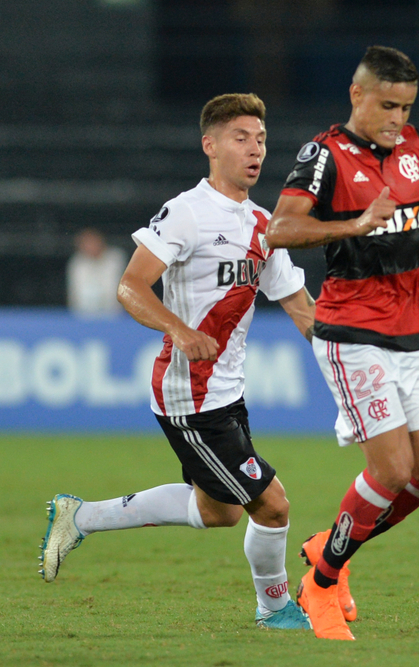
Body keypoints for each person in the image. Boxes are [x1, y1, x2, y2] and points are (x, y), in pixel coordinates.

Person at [39, 93, 317, 629]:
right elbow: (130, 285)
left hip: (228, 391)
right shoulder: (187, 213)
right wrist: (179, 329)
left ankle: (81, 517)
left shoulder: (266, 223)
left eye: (260, 139)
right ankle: (275, 609)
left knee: (220, 511)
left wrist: (347, 357)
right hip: (188, 394)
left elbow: (301, 308)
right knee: (273, 505)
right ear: (209, 145)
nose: (255, 149)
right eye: (241, 138)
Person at [265, 45, 419, 640]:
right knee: (393, 469)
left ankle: (332, 546)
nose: (397, 118)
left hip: (411, 335)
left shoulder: (415, 149)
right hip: (352, 334)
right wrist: (351, 224)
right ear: (358, 95)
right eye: (387, 105)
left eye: (405, 107)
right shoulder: (323, 155)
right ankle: (321, 585)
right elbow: (279, 228)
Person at [66, 228, 127, 316]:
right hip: (84, 316)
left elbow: (115, 290)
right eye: (86, 243)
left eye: (93, 242)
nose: (91, 246)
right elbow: (75, 294)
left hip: (113, 315)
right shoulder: (77, 263)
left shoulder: (115, 258)